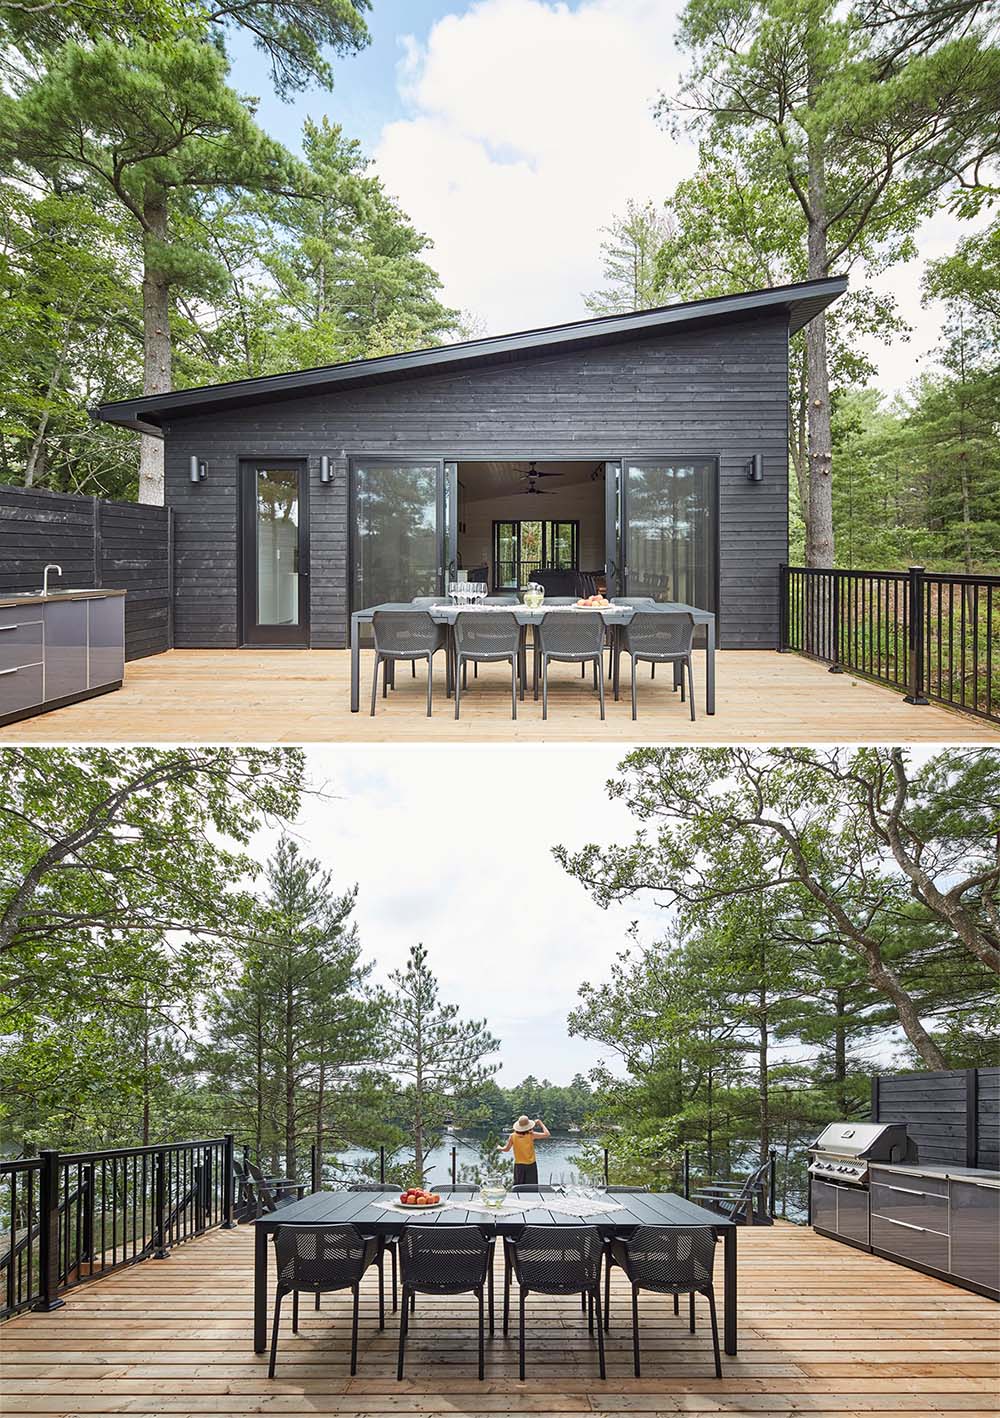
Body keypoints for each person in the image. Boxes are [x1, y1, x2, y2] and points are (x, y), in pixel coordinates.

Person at [499, 1115, 550, 1186]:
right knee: (532, 1187)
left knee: (518, 1187)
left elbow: (506, 1149)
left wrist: (499, 1147)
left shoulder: (512, 1136)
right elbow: (547, 1134)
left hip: (519, 1166)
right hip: (531, 1165)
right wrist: (540, 1123)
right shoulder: (531, 1135)